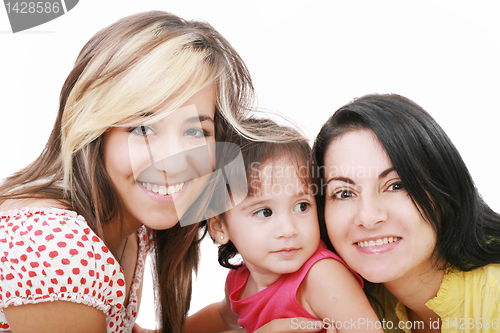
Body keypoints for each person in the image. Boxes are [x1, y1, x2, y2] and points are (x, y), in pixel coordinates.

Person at [0, 10, 269, 333]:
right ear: (96, 133)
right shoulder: (57, 246)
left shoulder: (129, 225)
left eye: (196, 133)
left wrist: (229, 315)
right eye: (143, 128)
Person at [312, 94, 500, 332]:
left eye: (396, 186)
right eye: (344, 193)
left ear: (443, 190)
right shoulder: (347, 308)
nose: (369, 217)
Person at [181, 119, 383, 333]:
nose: (289, 229)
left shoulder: (321, 277)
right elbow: (223, 318)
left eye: (302, 206)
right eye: (264, 212)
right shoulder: (239, 283)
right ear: (219, 227)